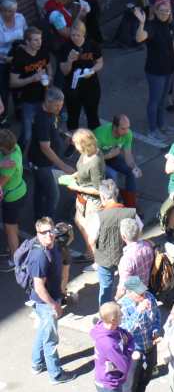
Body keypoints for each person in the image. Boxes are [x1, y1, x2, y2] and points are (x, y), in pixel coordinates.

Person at [28, 217, 76, 384]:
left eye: (51, 231)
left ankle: (37, 364)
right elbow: (39, 288)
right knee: (51, 340)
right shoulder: (39, 257)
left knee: (43, 331)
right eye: (44, 232)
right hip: (45, 304)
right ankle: (56, 375)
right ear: (38, 234)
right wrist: (54, 305)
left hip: (48, 301)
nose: (49, 234)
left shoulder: (52, 246)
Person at [87, 180, 141, 305]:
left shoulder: (98, 216)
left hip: (106, 260)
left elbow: (91, 241)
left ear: (102, 196)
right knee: (132, 285)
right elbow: (139, 233)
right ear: (116, 194)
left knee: (105, 289)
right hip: (127, 258)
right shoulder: (131, 213)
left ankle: (105, 317)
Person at [134, 1, 174, 142]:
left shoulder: (168, 24)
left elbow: (172, 44)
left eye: (167, 11)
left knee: (163, 98)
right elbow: (139, 38)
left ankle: (161, 124)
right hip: (156, 71)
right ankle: (153, 129)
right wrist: (141, 23)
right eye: (161, 11)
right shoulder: (151, 26)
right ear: (156, 11)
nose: (164, 13)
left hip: (169, 69)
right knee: (155, 100)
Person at [28, 88, 75, 222]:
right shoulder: (43, 120)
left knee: (40, 189)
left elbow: (51, 129)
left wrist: (60, 133)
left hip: (42, 161)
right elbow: (45, 148)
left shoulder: (45, 111)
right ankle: (49, 223)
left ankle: (39, 218)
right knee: (53, 195)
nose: (60, 108)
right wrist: (63, 166)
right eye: (57, 105)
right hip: (42, 163)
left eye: (61, 105)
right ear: (47, 102)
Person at [65, 128, 104, 271]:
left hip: (92, 200)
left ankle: (98, 262)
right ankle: (90, 253)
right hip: (83, 197)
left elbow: (98, 189)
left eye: (76, 144)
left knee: (90, 230)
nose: (74, 146)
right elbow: (81, 171)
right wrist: (73, 176)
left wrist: (78, 188)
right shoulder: (85, 154)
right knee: (79, 222)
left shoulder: (95, 162)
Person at [9, 26, 52, 152]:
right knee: (26, 135)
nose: (39, 42)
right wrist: (31, 79)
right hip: (28, 100)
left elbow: (49, 67)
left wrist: (49, 76)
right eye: (35, 40)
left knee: (45, 130)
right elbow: (13, 83)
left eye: (40, 39)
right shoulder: (19, 58)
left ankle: (39, 156)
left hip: (44, 97)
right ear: (27, 42)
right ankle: (16, 157)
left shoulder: (43, 52)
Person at [118, 276, 161, 392]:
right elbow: (125, 331)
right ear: (128, 292)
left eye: (143, 292)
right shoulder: (121, 307)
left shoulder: (150, 297)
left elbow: (157, 314)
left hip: (150, 347)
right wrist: (137, 312)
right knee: (129, 388)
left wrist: (156, 329)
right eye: (138, 294)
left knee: (144, 381)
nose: (143, 296)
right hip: (134, 351)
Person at [59, 20, 104, 131]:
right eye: (73, 35)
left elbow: (100, 62)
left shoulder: (91, 45)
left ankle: (95, 142)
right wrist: (69, 61)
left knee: (92, 115)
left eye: (78, 35)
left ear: (83, 34)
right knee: (73, 117)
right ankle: (73, 143)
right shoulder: (65, 47)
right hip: (72, 87)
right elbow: (64, 72)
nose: (75, 38)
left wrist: (91, 70)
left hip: (91, 85)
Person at [92, 301, 135, 392]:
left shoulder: (113, 329)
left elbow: (131, 338)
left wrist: (127, 345)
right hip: (109, 387)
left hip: (114, 380)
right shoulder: (108, 344)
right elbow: (125, 367)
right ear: (113, 320)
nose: (122, 315)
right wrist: (127, 351)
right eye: (120, 314)